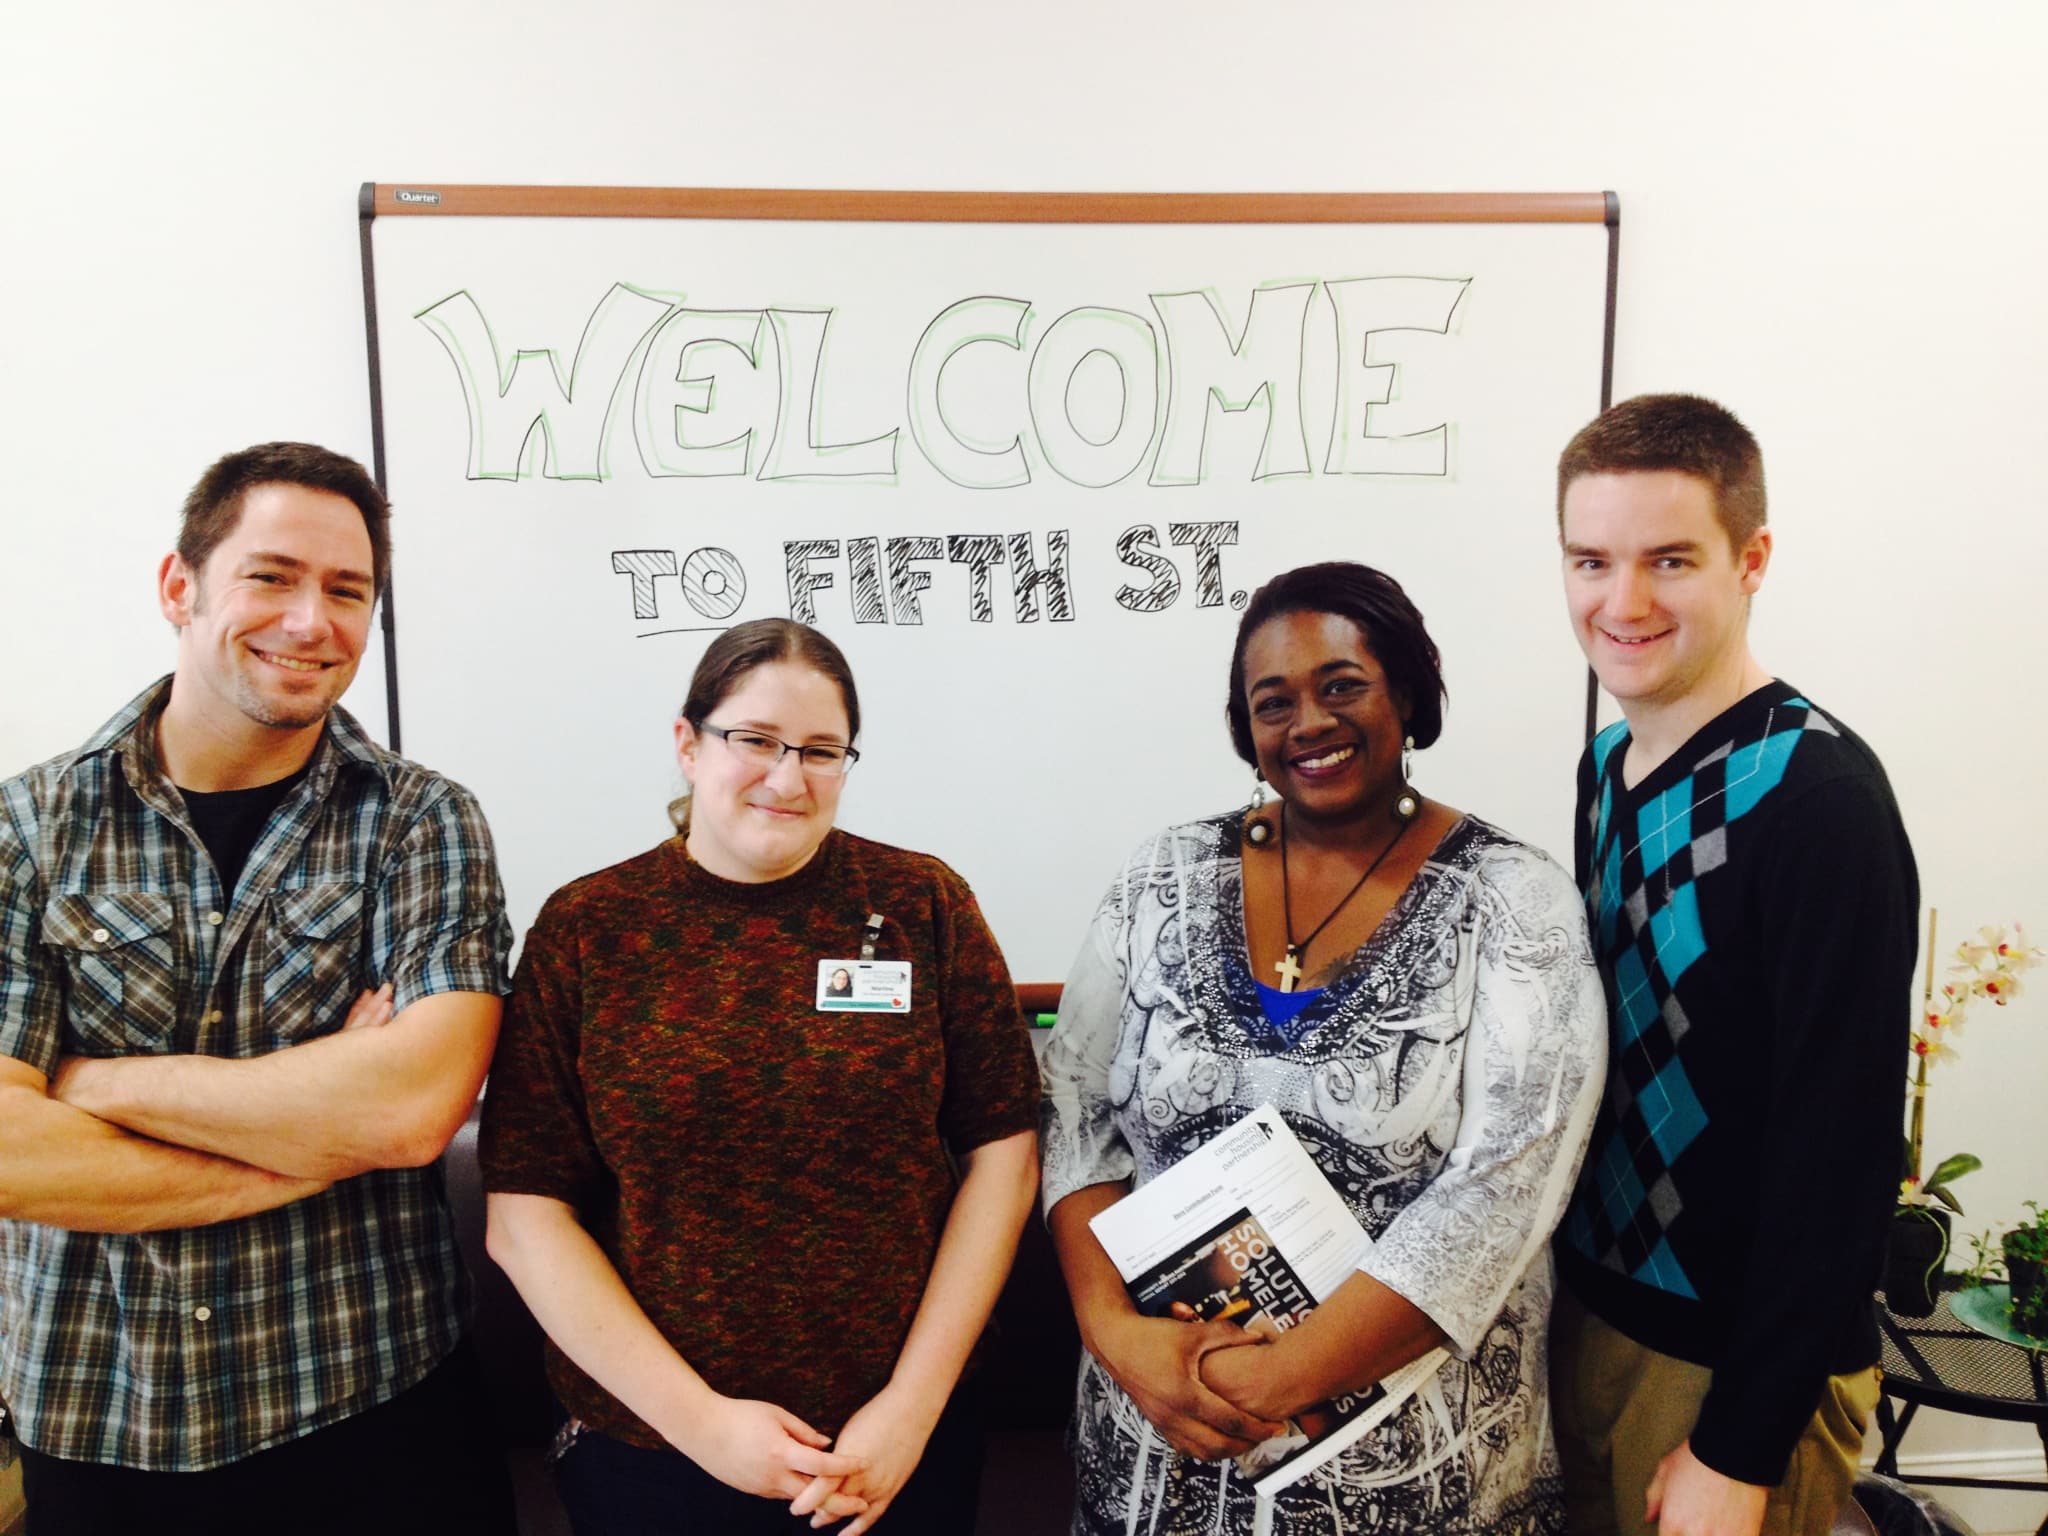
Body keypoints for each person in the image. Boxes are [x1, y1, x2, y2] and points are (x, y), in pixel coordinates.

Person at [0, 443, 516, 1533]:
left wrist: (90, 1083)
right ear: (178, 586)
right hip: (102, 1416)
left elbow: (411, 1108)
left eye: (347, 590)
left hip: (374, 1408)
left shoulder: (419, 820)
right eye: (272, 575)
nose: (310, 621)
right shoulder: (28, 830)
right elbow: (8, 1154)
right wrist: (316, 1147)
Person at [1041, 562, 1608, 1535]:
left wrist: (1270, 1380)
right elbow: (1075, 1122)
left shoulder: (1512, 901)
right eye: (1273, 701)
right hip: (1153, 1450)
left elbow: (1501, 1190)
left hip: (1410, 1476)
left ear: (1407, 691)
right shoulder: (1158, 878)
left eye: (1340, 685)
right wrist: (1114, 1335)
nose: (1306, 722)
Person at [479, 617, 1041, 1535]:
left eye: (821, 750)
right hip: (653, 1450)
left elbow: (1003, 1158)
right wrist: (703, 1425)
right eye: (754, 741)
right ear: (688, 745)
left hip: (894, 1448)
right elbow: (525, 1215)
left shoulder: (920, 905)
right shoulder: (590, 930)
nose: (788, 778)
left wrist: (910, 1407)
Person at [1549, 395, 1919, 1536]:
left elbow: (1841, 1156)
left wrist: (1738, 1445)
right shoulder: (1606, 766)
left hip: (1727, 1369)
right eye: (1589, 561)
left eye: (1669, 560)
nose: (1623, 603)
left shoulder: (1819, 801)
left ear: (1750, 559)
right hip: (1594, 1323)